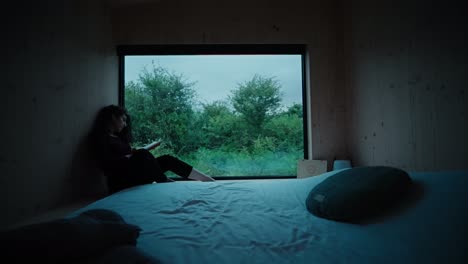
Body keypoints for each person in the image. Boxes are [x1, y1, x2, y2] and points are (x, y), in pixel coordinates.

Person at [89, 104, 215, 194]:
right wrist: (131, 156)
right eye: (123, 120)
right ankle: (165, 182)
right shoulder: (100, 138)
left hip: (133, 174)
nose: (125, 124)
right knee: (142, 153)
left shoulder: (117, 137)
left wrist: (136, 152)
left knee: (167, 159)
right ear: (112, 117)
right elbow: (106, 165)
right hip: (121, 181)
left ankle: (207, 179)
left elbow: (128, 154)